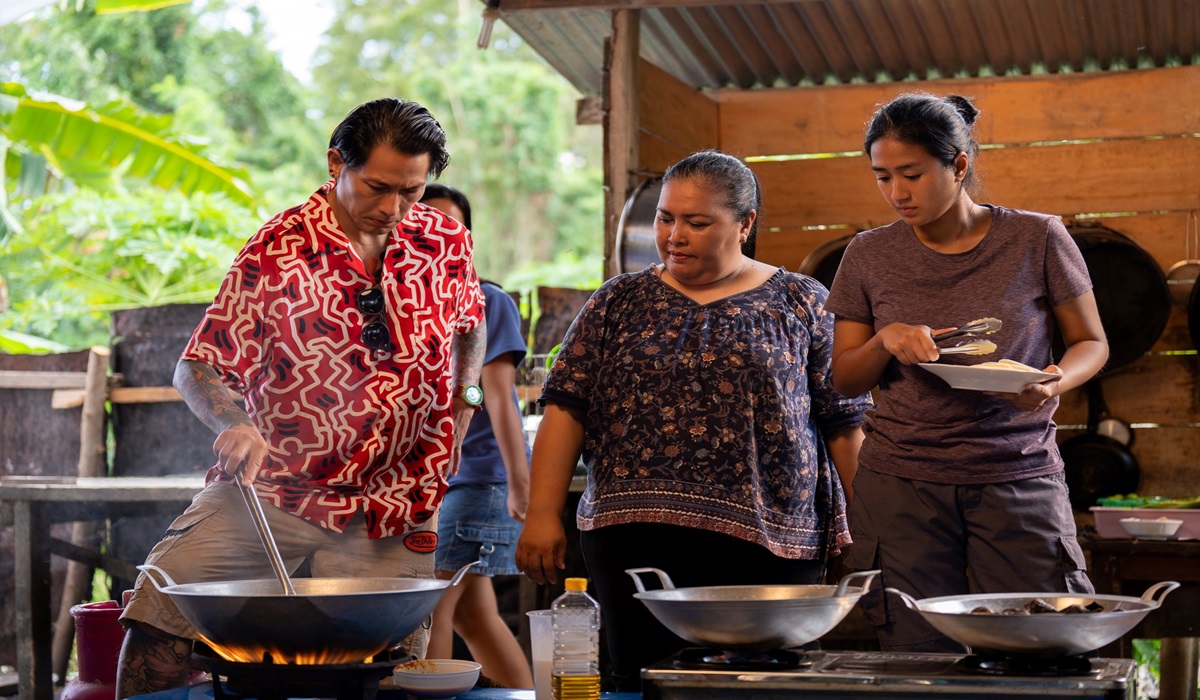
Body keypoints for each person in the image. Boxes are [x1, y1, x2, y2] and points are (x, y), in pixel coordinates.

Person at [115, 98, 488, 698]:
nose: (394, 208)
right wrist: (234, 422)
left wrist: (464, 400)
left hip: (398, 500)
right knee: (162, 609)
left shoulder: (445, 239)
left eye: (412, 192)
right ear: (337, 162)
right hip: (275, 494)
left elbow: (472, 320)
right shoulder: (277, 248)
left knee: (386, 668)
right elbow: (198, 364)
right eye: (378, 187)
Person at [515, 150, 872, 691]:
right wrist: (542, 512)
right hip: (632, 538)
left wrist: (862, 528)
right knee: (642, 682)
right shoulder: (618, 301)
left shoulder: (801, 302)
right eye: (666, 218)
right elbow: (566, 406)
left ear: (745, 223)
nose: (674, 235)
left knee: (761, 687)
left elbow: (844, 422)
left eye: (697, 222)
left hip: (768, 545)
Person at [826, 92, 1109, 652]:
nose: (896, 193)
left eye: (911, 174)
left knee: (1039, 642)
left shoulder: (1037, 237)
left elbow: (1091, 342)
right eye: (882, 176)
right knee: (916, 655)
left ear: (957, 165)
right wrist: (886, 340)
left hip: (1017, 474)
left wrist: (1056, 380)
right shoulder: (867, 254)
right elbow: (846, 379)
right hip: (902, 485)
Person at [420, 184, 534, 688]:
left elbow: (498, 398)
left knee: (431, 612)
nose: (441, 235)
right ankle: (527, 697)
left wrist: (521, 483)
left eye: (453, 225)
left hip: (475, 482)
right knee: (473, 616)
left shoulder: (487, 300)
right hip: (435, 486)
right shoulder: (408, 307)